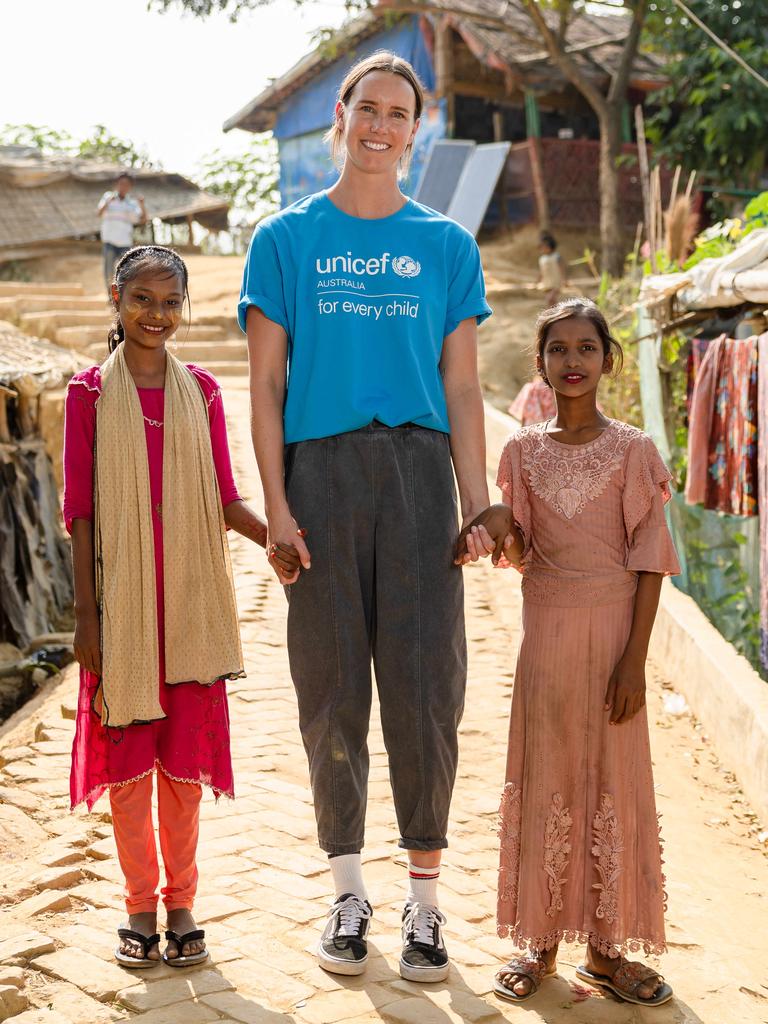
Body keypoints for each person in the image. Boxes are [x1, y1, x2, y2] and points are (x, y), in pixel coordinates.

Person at [240, 51, 491, 982]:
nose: (383, 126)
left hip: (424, 478)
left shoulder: (446, 246)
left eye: (401, 114)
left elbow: (463, 389)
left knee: (428, 692)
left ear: (415, 132)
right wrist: (278, 509)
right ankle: (347, 891)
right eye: (368, 109)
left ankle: (426, 906)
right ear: (340, 119)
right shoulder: (287, 239)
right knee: (332, 689)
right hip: (325, 478)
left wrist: (477, 506)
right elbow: (265, 387)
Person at [63, 245, 299, 971]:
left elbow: (225, 497)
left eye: (170, 302)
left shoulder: (200, 389)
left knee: (181, 772)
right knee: (131, 769)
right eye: (143, 299)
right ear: (116, 298)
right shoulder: (89, 396)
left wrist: (277, 540)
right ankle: (138, 904)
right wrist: (86, 618)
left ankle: (182, 900)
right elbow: (80, 513)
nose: (156, 314)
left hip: (188, 610)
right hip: (125, 613)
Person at [457, 298, 679, 1007]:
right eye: (559, 350)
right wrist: (498, 523)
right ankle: (539, 941)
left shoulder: (636, 451)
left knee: (615, 780)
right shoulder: (521, 450)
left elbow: (650, 562)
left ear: (607, 359)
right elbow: (522, 555)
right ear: (541, 364)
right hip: (546, 639)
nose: (573, 362)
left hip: (615, 635)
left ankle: (609, 954)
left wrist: (635, 663)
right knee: (547, 774)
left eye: (587, 348)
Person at [97, 174, 147, 292]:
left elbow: (143, 219)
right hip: (109, 241)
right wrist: (108, 203)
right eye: (121, 184)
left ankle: (122, 296)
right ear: (116, 185)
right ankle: (110, 297)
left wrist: (142, 205)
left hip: (125, 242)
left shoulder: (132, 203)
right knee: (109, 272)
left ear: (130, 187)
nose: (123, 187)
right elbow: (99, 213)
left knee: (126, 272)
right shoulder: (108, 197)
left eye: (126, 184)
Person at [538, 231, 566, 306]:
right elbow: (542, 270)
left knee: (550, 298)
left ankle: (556, 313)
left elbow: (561, 268)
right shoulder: (542, 259)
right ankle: (553, 315)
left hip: (556, 282)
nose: (543, 249)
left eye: (545, 247)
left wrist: (563, 279)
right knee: (551, 301)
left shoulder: (556, 256)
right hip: (546, 282)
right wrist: (539, 280)